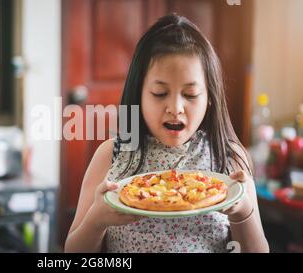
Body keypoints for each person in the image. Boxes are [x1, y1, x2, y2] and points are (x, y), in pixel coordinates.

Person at [64, 14, 269, 253]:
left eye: (190, 94)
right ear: (139, 94)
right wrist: (96, 221)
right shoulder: (112, 154)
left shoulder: (230, 157)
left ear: (210, 98)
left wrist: (243, 213)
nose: (175, 108)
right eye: (160, 93)